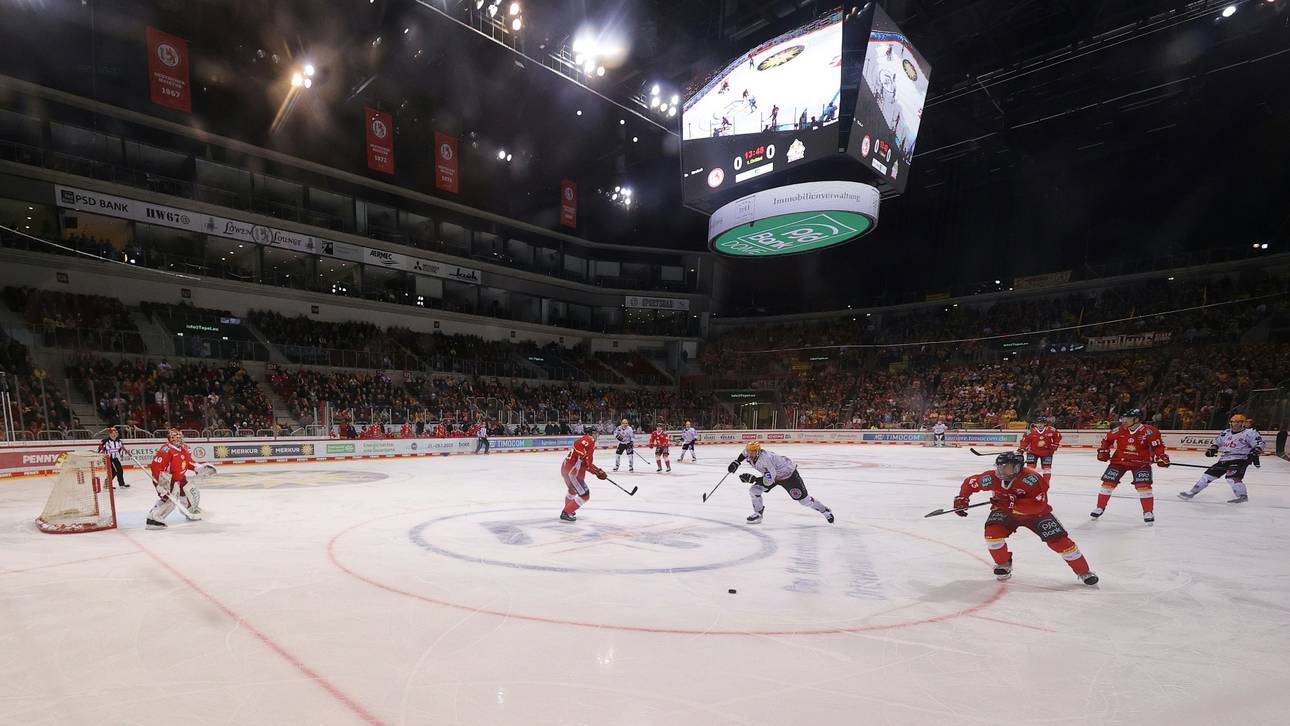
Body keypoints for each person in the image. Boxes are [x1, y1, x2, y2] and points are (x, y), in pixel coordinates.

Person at [954, 452, 1098, 584]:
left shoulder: (1032, 479)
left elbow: (1038, 506)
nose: (1001, 471)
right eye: (999, 467)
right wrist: (962, 498)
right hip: (1005, 513)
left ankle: (1084, 571)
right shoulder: (992, 477)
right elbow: (970, 483)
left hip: (1036, 515)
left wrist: (1013, 503)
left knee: (1060, 543)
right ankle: (1004, 564)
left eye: (1007, 468)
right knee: (992, 535)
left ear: (1017, 468)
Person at [1092, 408, 1169, 524]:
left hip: (1141, 463)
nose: (1124, 420)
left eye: (1127, 418)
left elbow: (1158, 446)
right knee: (1107, 484)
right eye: (1123, 418)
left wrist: (1161, 456)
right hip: (1119, 461)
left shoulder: (1150, 431)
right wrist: (1103, 450)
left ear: (1137, 419)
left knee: (1144, 487)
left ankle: (1148, 512)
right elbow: (1107, 440)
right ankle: (1100, 507)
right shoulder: (1118, 430)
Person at [727, 441, 833, 524]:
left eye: (752, 451)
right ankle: (758, 513)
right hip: (773, 475)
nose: (750, 454)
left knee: (804, 501)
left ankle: (825, 511)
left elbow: (769, 481)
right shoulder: (749, 452)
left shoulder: (766, 459)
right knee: (754, 490)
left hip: (788, 476)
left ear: (758, 451)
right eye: (749, 451)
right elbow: (743, 454)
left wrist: (753, 479)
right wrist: (737, 462)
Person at [1179, 414, 1264, 504]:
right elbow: (1217, 443)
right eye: (1232, 421)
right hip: (1224, 459)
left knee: (1232, 478)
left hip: (1240, 459)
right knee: (1208, 475)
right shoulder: (1226, 432)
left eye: (1235, 422)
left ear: (1242, 423)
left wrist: (1255, 452)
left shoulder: (1249, 433)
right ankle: (1192, 492)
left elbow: (1259, 444)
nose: (1232, 424)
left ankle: (1242, 496)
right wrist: (1213, 449)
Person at [146, 428, 213, 530]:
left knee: (190, 491)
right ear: (171, 439)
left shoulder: (183, 449)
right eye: (176, 437)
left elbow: (188, 462)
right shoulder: (166, 450)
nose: (179, 439)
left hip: (180, 479)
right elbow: (156, 468)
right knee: (170, 499)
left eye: (179, 437)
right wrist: (162, 485)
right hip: (167, 480)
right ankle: (154, 519)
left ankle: (190, 510)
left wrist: (199, 468)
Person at [560, 425, 606, 522]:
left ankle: (569, 509)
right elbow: (586, 463)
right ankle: (566, 512)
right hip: (572, 473)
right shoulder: (590, 441)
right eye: (597, 433)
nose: (597, 435)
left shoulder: (584, 439)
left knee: (572, 490)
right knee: (585, 495)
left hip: (566, 469)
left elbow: (584, 463)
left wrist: (597, 471)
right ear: (592, 433)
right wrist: (598, 472)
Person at [1018, 415, 1062, 483]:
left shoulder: (1051, 430)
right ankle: (1029, 484)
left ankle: (1045, 483)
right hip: (1032, 452)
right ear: (1035, 424)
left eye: (1041, 423)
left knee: (1047, 469)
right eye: (1038, 423)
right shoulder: (1030, 431)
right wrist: (1021, 448)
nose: (1040, 425)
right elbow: (1024, 440)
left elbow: (1058, 436)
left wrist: (1055, 444)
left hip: (1047, 453)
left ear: (1045, 423)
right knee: (1030, 468)